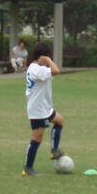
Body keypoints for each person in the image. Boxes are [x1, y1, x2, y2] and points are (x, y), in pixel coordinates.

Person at [22, 41, 64, 177]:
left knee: (59, 120)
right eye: (46, 58)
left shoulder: (38, 68)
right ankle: (28, 167)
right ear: (40, 57)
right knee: (37, 138)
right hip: (37, 110)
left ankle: (54, 150)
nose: (48, 61)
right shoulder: (36, 69)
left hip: (45, 107)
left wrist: (46, 60)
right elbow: (57, 71)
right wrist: (48, 60)